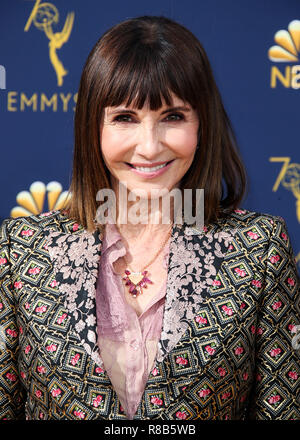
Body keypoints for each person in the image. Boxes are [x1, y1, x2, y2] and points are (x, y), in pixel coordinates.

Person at [0, 15, 299, 421]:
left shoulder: (260, 249)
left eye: (173, 116)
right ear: (93, 126)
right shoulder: (22, 250)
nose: (150, 146)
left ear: (202, 124)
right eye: (125, 117)